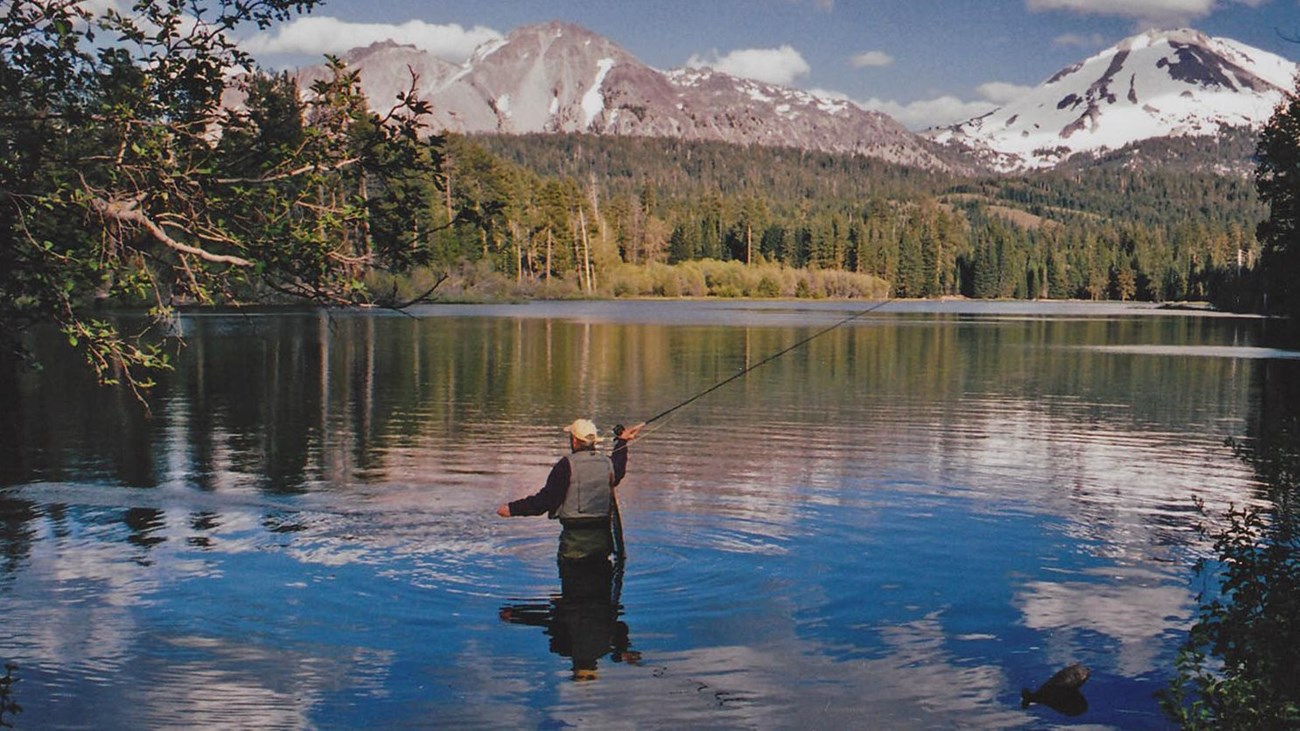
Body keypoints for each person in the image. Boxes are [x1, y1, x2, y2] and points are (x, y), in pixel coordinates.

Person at [496, 418, 644, 561]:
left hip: (574, 550)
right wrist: (622, 440)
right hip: (603, 548)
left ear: (574, 440)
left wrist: (512, 509)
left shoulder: (565, 466)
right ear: (594, 442)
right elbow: (618, 466)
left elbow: (545, 501)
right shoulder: (608, 465)